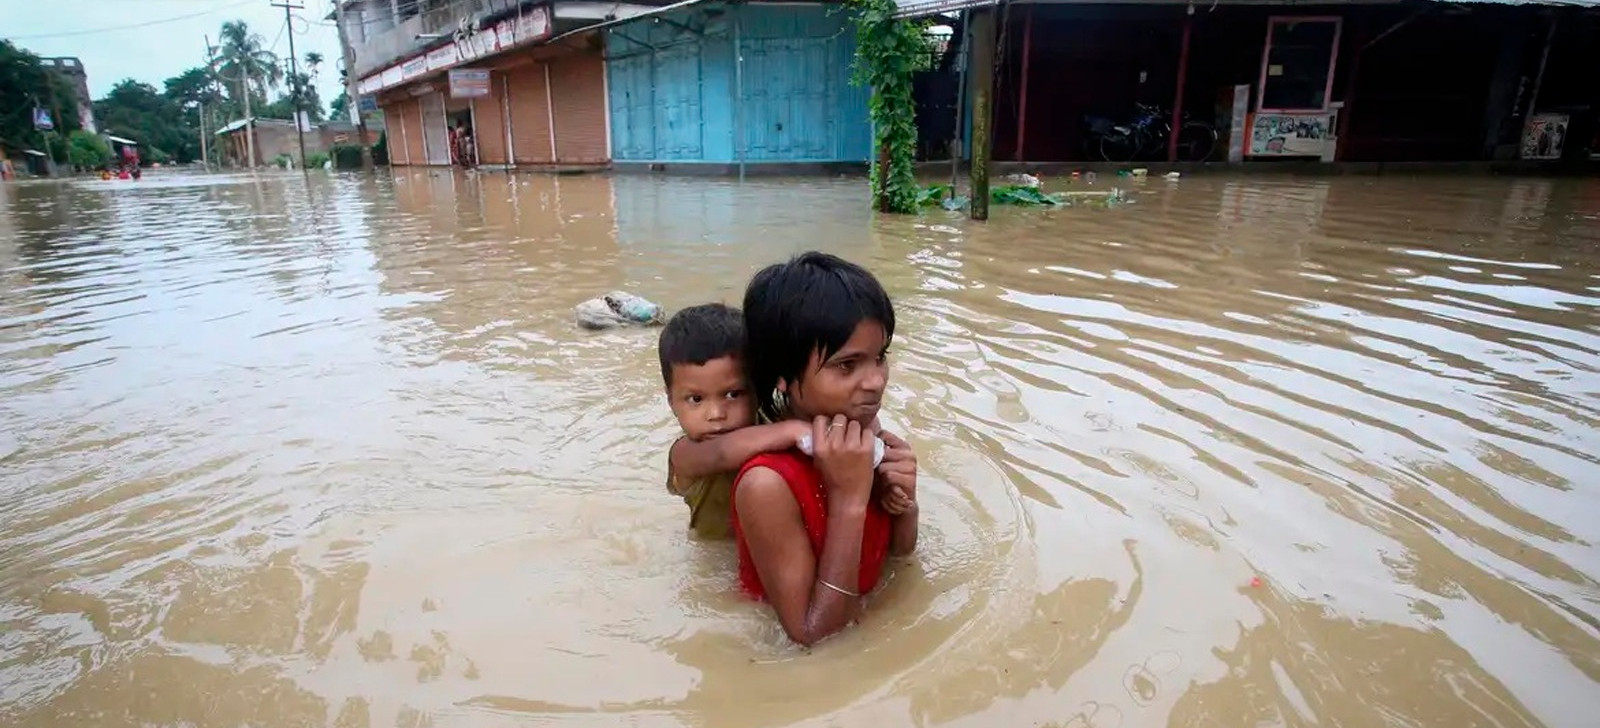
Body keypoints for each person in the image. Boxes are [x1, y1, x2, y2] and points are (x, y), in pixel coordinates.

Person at [733, 252, 918, 646]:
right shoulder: (767, 484)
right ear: (782, 376)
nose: (875, 381)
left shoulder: (863, 431)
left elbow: (899, 558)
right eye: (847, 366)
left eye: (879, 357)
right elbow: (814, 637)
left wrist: (905, 500)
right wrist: (850, 498)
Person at [659, 303, 812, 540]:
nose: (716, 413)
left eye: (732, 394)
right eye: (696, 399)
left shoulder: (770, 423)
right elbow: (721, 453)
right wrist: (794, 430)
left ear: (759, 389)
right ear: (671, 401)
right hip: (715, 555)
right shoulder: (684, 455)